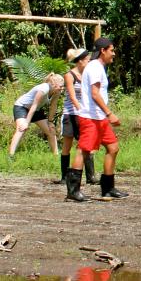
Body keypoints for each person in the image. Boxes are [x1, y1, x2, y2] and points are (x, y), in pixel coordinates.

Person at [68, 36, 127, 202]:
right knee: (84, 150)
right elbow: (95, 94)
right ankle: (73, 190)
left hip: (99, 118)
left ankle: (108, 188)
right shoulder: (94, 67)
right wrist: (109, 113)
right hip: (91, 117)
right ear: (103, 51)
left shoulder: (99, 67)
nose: (113, 54)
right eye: (112, 50)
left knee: (113, 147)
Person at [57, 48, 96, 187]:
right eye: (88, 60)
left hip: (83, 114)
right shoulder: (69, 75)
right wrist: (82, 110)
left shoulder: (87, 75)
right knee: (67, 146)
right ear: (80, 61)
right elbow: (73, 97)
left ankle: (91, 176)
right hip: (71, 114)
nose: (90, 62)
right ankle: (64, 177)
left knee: (87, 145)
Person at [8, 73, 63, 157]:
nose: (62, 88)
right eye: (61, 86)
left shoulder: (57, 91)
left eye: (63, 86)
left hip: (36, 110)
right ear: (54, 84)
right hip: (22, 107)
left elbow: (53, 106)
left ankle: (56, 156)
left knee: (51, 131)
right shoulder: (44, 88)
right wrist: (26, 122)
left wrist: (50, 122)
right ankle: (11, 156)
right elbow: (34, 105)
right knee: (21, 129)